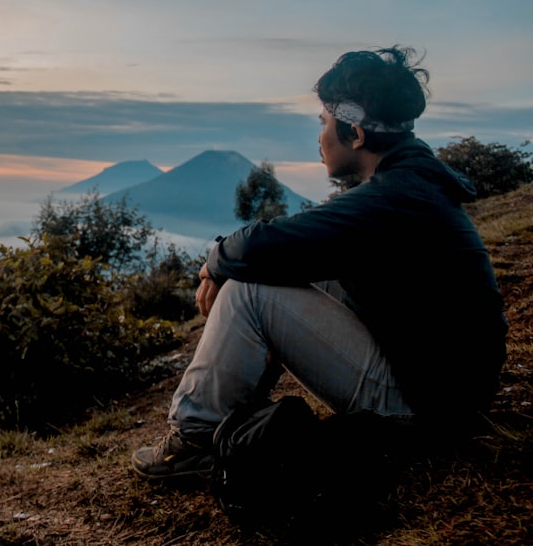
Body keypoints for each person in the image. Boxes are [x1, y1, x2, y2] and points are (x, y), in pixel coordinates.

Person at [132, 45, 508, 480]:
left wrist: (218, 260)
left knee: (248, 288)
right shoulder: (411, 186)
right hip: (444, 391)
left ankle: (195, 439)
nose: (319, 137)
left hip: (420, 409)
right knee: (291, 269)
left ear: (356, 134)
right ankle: (235, 412)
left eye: (324, 122)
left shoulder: (393, 197)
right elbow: (293, 248)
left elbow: (259, 246)